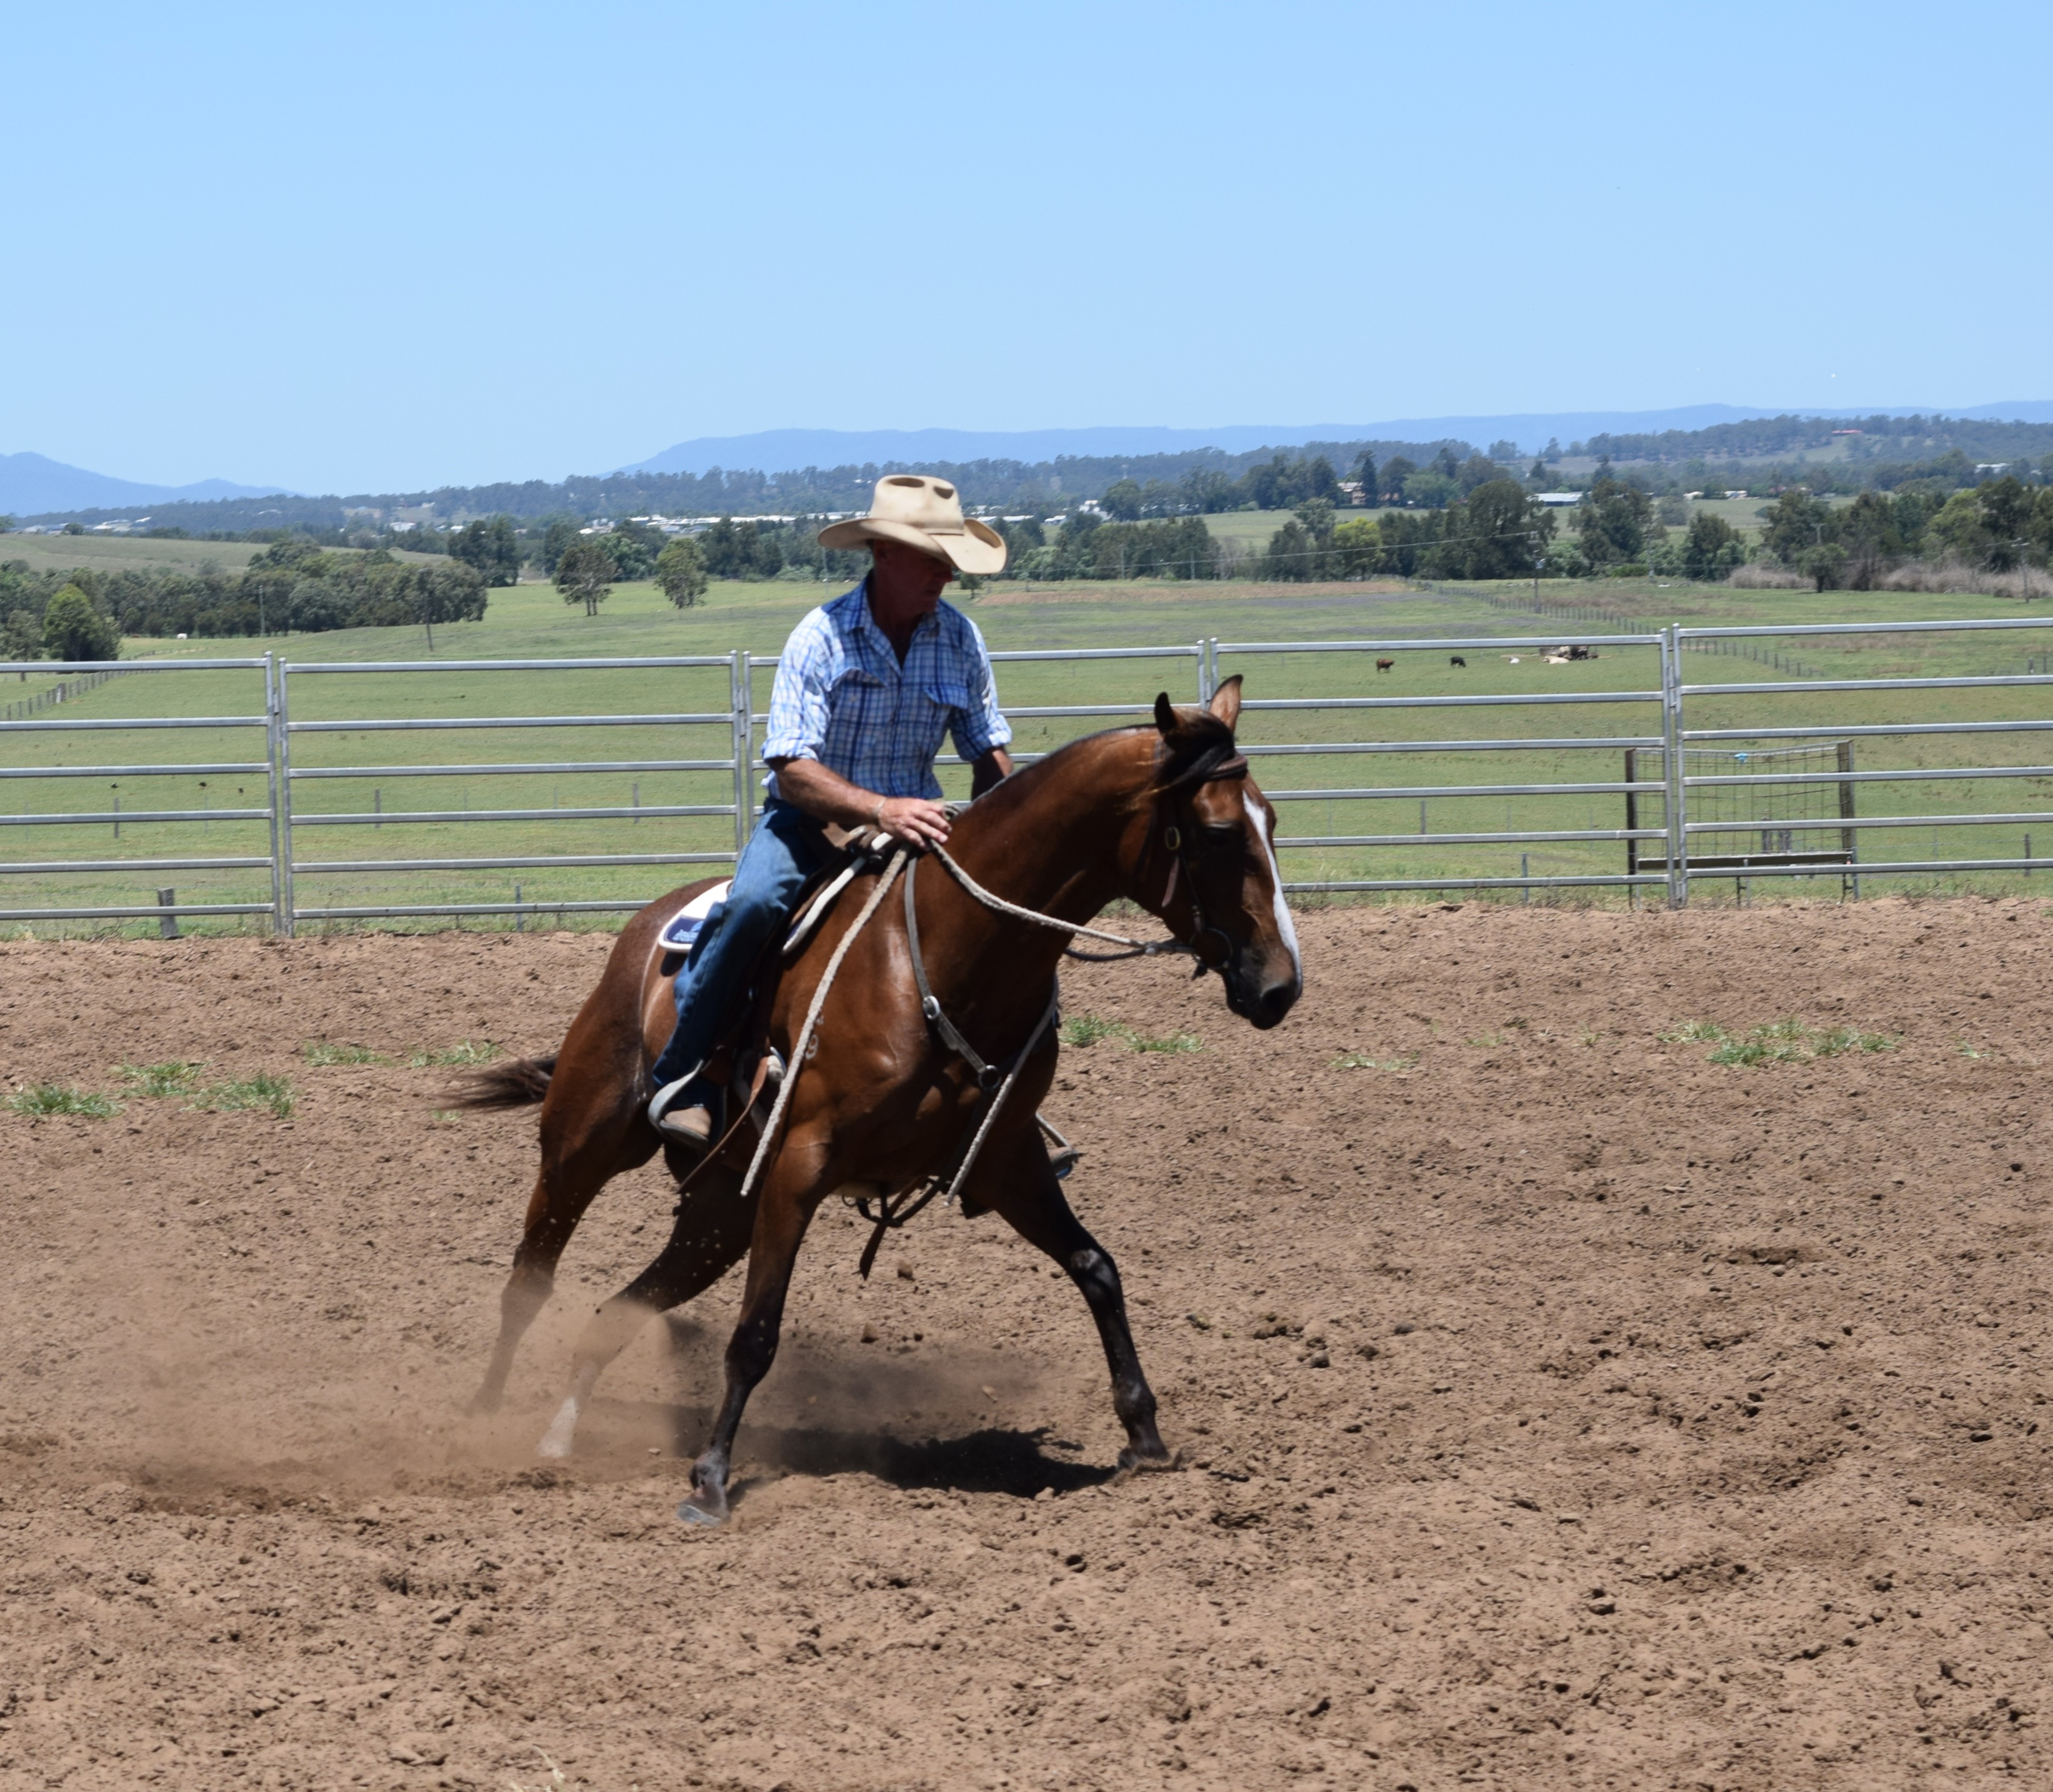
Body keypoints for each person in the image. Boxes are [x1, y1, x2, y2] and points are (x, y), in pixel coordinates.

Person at [646, 474, 1015, 1150]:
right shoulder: (821, 636)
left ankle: (1008, 1097)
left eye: (950, 559)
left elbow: (987, 749)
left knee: (997, 925)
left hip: (918, 829)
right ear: (883, 553)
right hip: (810, 826)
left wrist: (1009, 833)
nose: (946, 573)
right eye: (932, 557)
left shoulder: (960, 639)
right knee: (755, 903)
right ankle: (687, 1072)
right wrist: (880, 809)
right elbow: (792, 767)